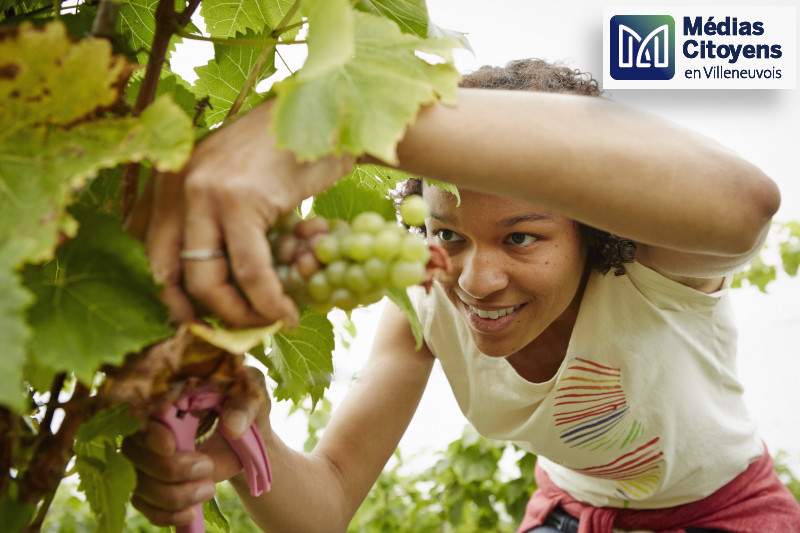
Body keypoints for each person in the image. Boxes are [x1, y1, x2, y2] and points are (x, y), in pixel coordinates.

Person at [123, 59, 800, 533]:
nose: (475, 280)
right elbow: (327, 503)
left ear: (593, 233)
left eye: (522, 238)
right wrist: (250, 441)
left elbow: (749, 204)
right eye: (448, 231)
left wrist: (344, 122)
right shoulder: (423, 298)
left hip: (726, 514)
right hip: (569, 513)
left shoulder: (658, 276)